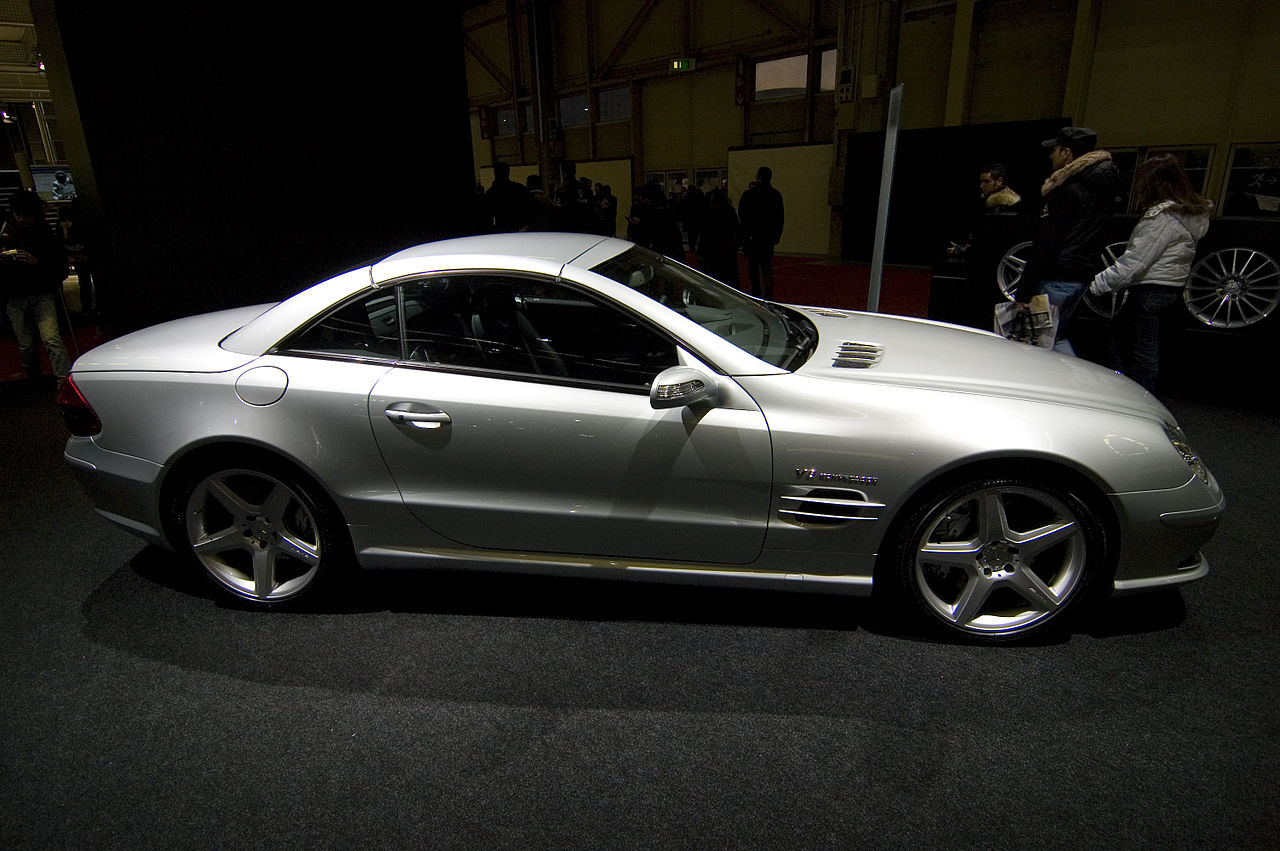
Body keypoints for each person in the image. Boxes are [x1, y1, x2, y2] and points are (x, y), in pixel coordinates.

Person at [1089, 155, 1210, 395]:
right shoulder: (1188, 214)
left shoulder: (1161, 218)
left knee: (1134, 347)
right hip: (1170, 288)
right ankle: (1134, 394)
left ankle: (1133, 396)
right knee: (1143, 346)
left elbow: (1135, 262)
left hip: (1149, 290)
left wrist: (1095, 285)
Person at [1021, 127, 1118, 354]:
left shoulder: (1068, 190)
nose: (1050, 155)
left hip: (1057, 275)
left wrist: (1024, 292)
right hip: (1081, 275)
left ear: (1066, 153)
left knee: (1043, 342)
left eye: (1054, 150)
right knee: (1056, 336)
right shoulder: (1102, 189)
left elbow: (1047, 242)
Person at [1, 190, 71, 389]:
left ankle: (63, 382)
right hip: (15, 294)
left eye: (27, 215)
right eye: (18, 214)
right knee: (27, 345)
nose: (22, 219)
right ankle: (35, 378)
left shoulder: (45, 234)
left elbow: (60, 268)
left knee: (51, 339)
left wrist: (36, 263)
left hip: (41, 292)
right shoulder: (6, 232)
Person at [738, 166, 784, 300]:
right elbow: (780, 218)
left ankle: (756, 294)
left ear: (759, 177)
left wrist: (745, 237)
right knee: (767, 267)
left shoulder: (750, 195)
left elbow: (743, 215)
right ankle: (768, 295)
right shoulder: (775, 195)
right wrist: (776, 236)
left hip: (753, 238)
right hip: (768, 238)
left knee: (753, 270)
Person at [695, 188, 741, 288]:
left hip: (712, 251)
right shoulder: (730, 212)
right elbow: (737, 230)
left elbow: (704, 234)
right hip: (727, 250)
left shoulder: (709, 213)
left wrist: (700, 252)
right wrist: (737, 244)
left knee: (713, 280)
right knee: (729, 279)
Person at [483, 161, 532, 232]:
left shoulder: (490, 193)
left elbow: (487, 217)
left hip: (500, 231)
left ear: (495, 173)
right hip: (519, 229)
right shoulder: (520, 189)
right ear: (508, 172)